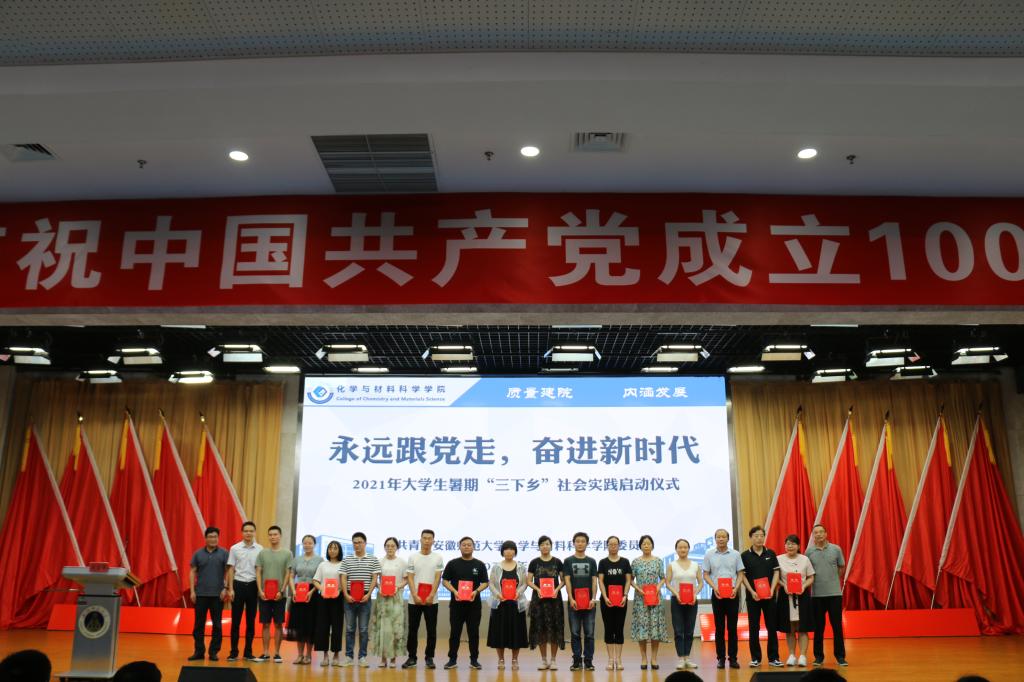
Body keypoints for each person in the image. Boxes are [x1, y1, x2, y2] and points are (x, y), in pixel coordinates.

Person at [442, 536, 488, 670]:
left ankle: (474, 660)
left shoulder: (480, 564)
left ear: (473, 547)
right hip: (456, 605)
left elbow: (485, 582)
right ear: (459, 547)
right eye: (464, 545)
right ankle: (452, 659)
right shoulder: (452, 563)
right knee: (455, 633)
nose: (466, 547)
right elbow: (445, 581)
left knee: (473, 633)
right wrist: (454, 591)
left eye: (469, 545)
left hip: (474, 605)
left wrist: (476, 591)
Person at [702, 528, 745, 670]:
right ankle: (720, 658)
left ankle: (733, 658)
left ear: (728, 539)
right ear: (715, 539)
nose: (721, 539)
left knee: (732, 628)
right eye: (718, 537)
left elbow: (740, 573)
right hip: (717, 594)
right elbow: (706, 574)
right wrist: (714, 587)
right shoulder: (709, 554)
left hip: (732, 593)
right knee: (719, 628)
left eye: (723, 537)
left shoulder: (736, 554)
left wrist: (736, 588)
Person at [740, 525, 781, 668]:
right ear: (751, 538)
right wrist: (752, 591)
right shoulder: (744, 555)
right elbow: (742, 576)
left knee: (772, 626)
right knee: (754, 627)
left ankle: (773, 658)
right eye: (756, 536)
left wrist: (772, 589)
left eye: (761, 535)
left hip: (769, 597)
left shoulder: (771, 553)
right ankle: (755, 658)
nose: (759, 538)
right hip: (753, 597)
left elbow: (776, 572)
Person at [402, 529, 444, 670]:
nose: (426, 540)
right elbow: (410, 577)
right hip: (414, 600)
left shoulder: (438, 557)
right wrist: (414, 595)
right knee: (412, 630)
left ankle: (429, 658)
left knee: (431, 630)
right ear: (420, 540)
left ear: (433, 541)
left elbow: (438, 577)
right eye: (424, 538)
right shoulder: (413, 557)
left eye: (429, 538)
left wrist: (431, 595)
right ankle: (412, 657)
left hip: (432, 600)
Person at [807, 524, 848, 667]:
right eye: (815, 533)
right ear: (813, 536)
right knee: (818, 628)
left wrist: (833, 580)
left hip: (834, 594)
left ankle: (840, 656)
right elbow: (807, 571)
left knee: (837, 627)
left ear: (826, 534)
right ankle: (818, 657)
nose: (818, 534)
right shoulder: (809, 552)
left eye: (821, 532)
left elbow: (841, 567)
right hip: (816, 595)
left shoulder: (836, 549)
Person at [340, 531, 382, 668]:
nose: (357, 545)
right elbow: (343, 578)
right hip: (349, 597)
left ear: (365, 543)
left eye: (360, 542)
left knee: (363, 629)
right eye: (355, 542)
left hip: (365, 597)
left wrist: (368, 594)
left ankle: (362, 657)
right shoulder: (347, 559)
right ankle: (349, 657)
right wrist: (346, 595)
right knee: (349, 629)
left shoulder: (373, 559)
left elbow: (374, 578)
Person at [486, 540, 529, 669]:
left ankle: (515, 660)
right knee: (499, 633)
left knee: (516, 632)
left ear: (515, 551)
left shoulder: (521, 567)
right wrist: (498, 594)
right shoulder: (496, 567)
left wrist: (518, 592)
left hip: (516, 604)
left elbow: (525, 583)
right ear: (502, 551)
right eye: (506, 549)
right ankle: (501, 659)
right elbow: (491, 583)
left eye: (511, 549)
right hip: (500, 604)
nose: (509, 551)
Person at [188, 526, 229, 662]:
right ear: (205, 538)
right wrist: (192, 591)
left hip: (218, 595)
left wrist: (226, 588)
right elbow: (192, 572)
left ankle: (213, 652)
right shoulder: (198, 554)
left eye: (215, 537)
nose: (213, 539)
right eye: (210, 537)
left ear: (218, 538)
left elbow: (229, 571)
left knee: (217, 625)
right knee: (198, 625)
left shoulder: (224, 553)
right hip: (200, 594)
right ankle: (199, 651)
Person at [776, 534, 816, 667]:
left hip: (802, 596)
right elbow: (776, 577)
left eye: (793, 544)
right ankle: (792, 655)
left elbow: (811, 577)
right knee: (790, 628)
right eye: (788, 544)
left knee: (802, 627)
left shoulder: (805, 559)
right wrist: (784, 585)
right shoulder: (778, 559)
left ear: (798, 546)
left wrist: (803, 586)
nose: (790, 546)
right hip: (786, 596)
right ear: (784, 545)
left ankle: (803, 656)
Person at [226, 520, 263, 662]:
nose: (248, 533)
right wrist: (230, 588)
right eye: (246, 531)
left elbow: (261, 570)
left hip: (253, 586)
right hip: (238, 585)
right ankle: (233, 652)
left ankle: (248, 652)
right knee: (235, 621)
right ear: (242, 533)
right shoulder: (234, 548)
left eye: (251, 531)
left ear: (254, 532)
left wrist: (260, 589)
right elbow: (230, 569)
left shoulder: (260, 549)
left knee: (251, 621)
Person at [369, 536, 408, 668]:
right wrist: (379, 587)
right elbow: (375, 579)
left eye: (393, 546)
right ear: (384, 547)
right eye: (388, 546)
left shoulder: (402, 562)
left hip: (396, 598)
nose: (390, 548)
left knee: (395, 627)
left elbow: (406, 579)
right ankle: (383, 658)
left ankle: (393, 659)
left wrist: (398, 586)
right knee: (383, 628)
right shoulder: (379, 561)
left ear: (397, 547)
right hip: (383, 598)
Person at [255, 525, 292, 663]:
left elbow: (288, 573)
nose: (273, 537)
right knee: (265, 624)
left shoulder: (287, 553)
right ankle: (265, 653)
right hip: (264, 595)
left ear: (280, 536)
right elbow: (258, 572)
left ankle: (277, 653)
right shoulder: (262, 553)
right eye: (270, 534)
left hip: (279, 596)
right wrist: (260, 590)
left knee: (278, 624)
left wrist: (282, 591)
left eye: (275, 534)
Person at [563, 531, 599, 672]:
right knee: (575, 633)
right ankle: (577, 660)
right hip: (574, 603)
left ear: (587, 543)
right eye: (577, 541)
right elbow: (567, 580)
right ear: (573, 543)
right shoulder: (568, 561)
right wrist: (571, 598)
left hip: (590, 603)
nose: (580, 543)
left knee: (589, 634)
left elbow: (594, 581)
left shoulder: (592, 561)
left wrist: (593, 598)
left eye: (583, 541)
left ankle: (589, 661)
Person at [631, 534, 668, 670]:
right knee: (642, 628)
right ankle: (643, 658)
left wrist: (658, 587)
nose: (646, 546)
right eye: (644, 544)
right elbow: (630, 580)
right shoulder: (635, 562)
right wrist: (638, 589)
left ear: (652, 546)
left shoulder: (658, 561)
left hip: (655, 598)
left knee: (655, 628)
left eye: (649, 543)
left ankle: (654, 658)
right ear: (640, 546)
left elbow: (663, 578)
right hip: (640, 599)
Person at [666, 538, 702, 670]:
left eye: (685, 547)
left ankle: (688, 658)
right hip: (677, 600)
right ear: (676, 550)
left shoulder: (695, 565)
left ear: (688, 549)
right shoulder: (672, 565)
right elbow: (667, 582)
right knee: (678, 630)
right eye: (680, 547)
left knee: (689, 630)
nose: (683, 549)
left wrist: (695, 593)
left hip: (692, 600)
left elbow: (701, 582)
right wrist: (676, 593)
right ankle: (681, 658)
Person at [598, 535, 633, 671]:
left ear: (619, 546)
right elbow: (600, 581)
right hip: (606, 601)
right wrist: (605, 596)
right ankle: (610, 659)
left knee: (619, 629)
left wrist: (625, 595)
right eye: (610, 544)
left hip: (622, 601)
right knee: (608, 629)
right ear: (607, 546)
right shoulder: (603, 562)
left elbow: (628, 580)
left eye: (615, 544)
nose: (613, 546)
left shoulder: (625, 562)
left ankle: (618, 659)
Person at [288, 534, 322, 664]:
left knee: (310, 625)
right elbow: (291, 576)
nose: (307, 545)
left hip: (312, 594)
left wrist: (312, 591)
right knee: (299, 625)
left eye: (310, 543)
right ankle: (300, 655)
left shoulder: (320, 560)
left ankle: (308, 655)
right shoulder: (297, 559)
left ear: (314, 545)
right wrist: (294, 591)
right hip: (298, 593)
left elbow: (321, 579)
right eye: (305, 543)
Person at [312, 540, 345, 666]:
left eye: (335, 548)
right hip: (323, 599)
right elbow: (315, 580)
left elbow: (344, 582)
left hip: (338, 598)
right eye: (330, 548)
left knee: (337, 627)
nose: (332, 550)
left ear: (339, 550)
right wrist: (322, 589)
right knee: (323, 626)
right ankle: (325, 656)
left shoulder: (343, 564)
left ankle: (336, 655)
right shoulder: (322, 565)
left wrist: (339, 590)